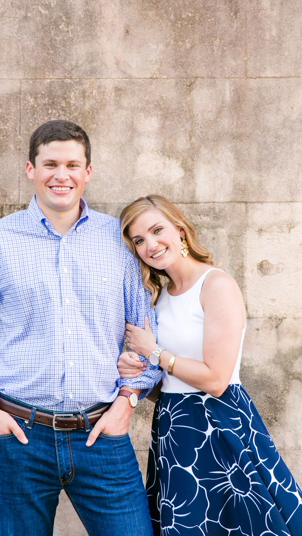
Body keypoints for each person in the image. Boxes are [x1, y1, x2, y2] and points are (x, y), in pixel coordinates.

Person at [0, 120, 160, 536]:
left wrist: (128, 402)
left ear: (87, 172)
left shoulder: (120, 240)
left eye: (73, 164)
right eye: (50, 163)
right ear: (30, 169)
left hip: (102, 435)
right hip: (19, 437)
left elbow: (148, 327)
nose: (62, 175)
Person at [118, 194, 302, 536]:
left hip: (219, 424)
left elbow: (216, 380)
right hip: (175, 429)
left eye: (158, 230)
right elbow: (170, 387)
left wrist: (154, 352)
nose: (151, 245)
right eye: (139, 240)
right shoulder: (159, 297)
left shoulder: (216, 285)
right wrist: (138, 373)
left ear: (181, 230)